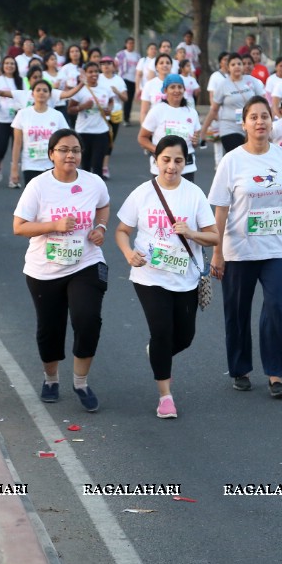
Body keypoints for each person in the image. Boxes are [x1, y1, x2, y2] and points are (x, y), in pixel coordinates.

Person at [115, 135, 220, 418]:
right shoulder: (142, 193)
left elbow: (214, 236)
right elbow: (122, 231)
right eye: (166, 160)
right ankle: (165, 396)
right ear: (156, 160)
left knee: (184, 337)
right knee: (161, 331)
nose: (172, 166)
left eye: (178, 160)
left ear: (185, 163)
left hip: (184, 277)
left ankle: (158, 353)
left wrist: (192, 233)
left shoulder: (194, 194)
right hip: (149, 276)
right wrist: (127, 253)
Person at [208, 96, 282, 397]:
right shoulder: (232, 160)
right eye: (254, 117)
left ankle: (275, 374)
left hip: (275, 249)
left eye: (265, 116)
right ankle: (240, 368)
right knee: (237, 311)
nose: (260, 122)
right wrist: (217, 251)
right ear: (244, 122)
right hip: (238, 250)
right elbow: (221, 209)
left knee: (276, 307)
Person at [13, 128, 110, 413]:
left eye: (76, 150)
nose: (71, 154)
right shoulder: (39, 186)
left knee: (88, 319)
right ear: (52, 154)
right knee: (50, 328)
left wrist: (101, 227)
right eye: (64, 149)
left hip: (86, 263)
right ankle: (51, 378)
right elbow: (19, 226)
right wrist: (53, 226)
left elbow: (103, 206)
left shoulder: (93, 182)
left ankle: (81, 382)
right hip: (44, 269)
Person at [200, 53, 265, 155]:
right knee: (238, 156)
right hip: (229, 127)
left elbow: (263, 104)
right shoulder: (223, 85)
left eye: (239, 64)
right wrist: (203, 130)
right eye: (233, 64)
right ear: (228, 67)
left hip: (251, 127)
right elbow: (214, 109)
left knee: (251, 159)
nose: (237, 67)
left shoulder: (252, 81)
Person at [9, 80, 70, 188]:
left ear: (49, 95)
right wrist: (14, 169)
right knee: (34, 200)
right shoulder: (23, 114)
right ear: (32, 94)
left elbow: (66, 142)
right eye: (38, 90)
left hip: (52, 165)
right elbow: (17, 144)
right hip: (30, 164)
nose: (41, 92)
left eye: (45, 90)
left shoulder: (57, 115)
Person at [68, 62, 114, 175]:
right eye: (90, 72)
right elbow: (70, 109)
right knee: (85, 166)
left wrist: (109, 108)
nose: (94, 74)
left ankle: (98, 191)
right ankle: (85, 190)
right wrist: (82, 107)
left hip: (101, 132)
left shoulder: (105, 88)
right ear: (85, 74)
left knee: (97, 164)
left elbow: (111, 101)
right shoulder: (80, 89)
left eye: (96, 71)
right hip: (83, 132)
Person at [0, 56, 23, 183]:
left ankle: (13, 177)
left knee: (16, 148)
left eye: (12, 63)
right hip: (1, 119)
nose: (9, 66)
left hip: (18, 120)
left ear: (16, 66)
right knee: (0, 148)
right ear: (2, 65)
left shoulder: (20, 81)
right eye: (7, 63)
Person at [139, 53, 175, 125]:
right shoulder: (149, 85)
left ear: (171, 66)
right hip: (154, 125)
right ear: (156, 67)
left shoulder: (177, 84)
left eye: (168, 63)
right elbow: (144, 112)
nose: (165, 65)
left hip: (173, 125)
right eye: (161, 63)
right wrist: (144, 132)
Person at [116, 37, 141, 126]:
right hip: (123, 79)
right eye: (129, 43)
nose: (131, 45)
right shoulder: (120, 54)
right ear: (126, 44)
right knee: (121, 98)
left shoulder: (137, 56)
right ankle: (117, 116)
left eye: (132, 43)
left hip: (133, 80)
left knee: (129, 100)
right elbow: (115, 65)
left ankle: (126, 118)